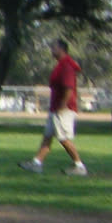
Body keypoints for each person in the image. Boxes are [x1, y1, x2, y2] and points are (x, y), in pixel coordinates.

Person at [23, 39, 88, 175]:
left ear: (62, 49)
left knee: (63, 138)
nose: (52, 50)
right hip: (55, 108)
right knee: (47, 136)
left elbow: (69, 88)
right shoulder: (60, 65)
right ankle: (36, 163)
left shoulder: (67, 66)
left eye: (54, 48)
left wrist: (63, 105)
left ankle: (79, 166)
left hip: (63, 109)